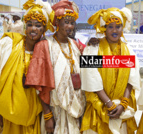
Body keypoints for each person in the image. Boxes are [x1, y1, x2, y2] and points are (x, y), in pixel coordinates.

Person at [0, 0, 54, 133]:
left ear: (44, 29)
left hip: (33, 117)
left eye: (38, 25)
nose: (33, 29)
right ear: (25, 27)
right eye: (30, 25)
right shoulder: (9, 45)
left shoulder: (47, 51)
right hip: (6, 116)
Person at [81, 7, 140, 134]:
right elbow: (90, 80)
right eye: (110, 26)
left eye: (118, 26)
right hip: (99, 108)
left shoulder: (129, 49)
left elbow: (132, 79)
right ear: (104, 28)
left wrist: (123, 104)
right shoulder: (92, 48)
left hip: (121, 109)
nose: (114, 30)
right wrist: (108, 104)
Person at [30, 0, 86, 133]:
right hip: (55, 112)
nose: (70, 26)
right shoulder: (44, 45)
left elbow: (93, 66)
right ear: (57, 23)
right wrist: (47, 115)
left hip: (78, 108)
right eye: (66, 22)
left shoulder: (76, 45)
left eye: (72, 23)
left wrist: (97, 44)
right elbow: (39, 84)